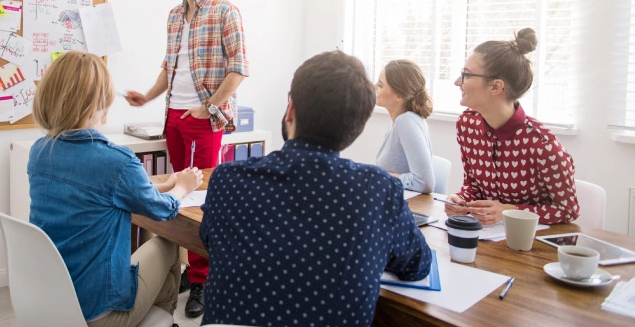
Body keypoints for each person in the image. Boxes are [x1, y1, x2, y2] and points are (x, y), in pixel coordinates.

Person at [199, 51, 432, 326]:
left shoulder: (228, 180)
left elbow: (210, 240)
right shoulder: (378, 191)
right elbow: (417, 265)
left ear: (291, 109)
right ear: (357, 126)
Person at [28, 50, 204, 326]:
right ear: (103, 102)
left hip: (53, 298)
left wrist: (165, 183)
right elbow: (163, 211)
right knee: (169, 243)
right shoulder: (116, 161)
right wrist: (182, 186)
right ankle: (163, 320)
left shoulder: (40, 151)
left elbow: (100, 192)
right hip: (98, 312)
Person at [125, 0, 248, 318]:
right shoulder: (174, 15)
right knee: (178, 195)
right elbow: (169, 66)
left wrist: (207, 107)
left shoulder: (225, 11)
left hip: (204, 119)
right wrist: (147, 96)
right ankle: (185, 269)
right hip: (173, 116)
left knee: (202, 200)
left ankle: (204, 280)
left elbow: (239, 68)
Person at [444, 28, 580, 225]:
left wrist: (510, 211)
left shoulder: (543, 145)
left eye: (466, 75)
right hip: (486, 239)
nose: (458, 82)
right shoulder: (467, 125)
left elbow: (568, 210)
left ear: (496, 87)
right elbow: (473, 185)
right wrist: (461, 200)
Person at [375, 59, 436, 193]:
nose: (375, 87)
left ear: (398, 95)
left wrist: (383, 176)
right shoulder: (400, 121)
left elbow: (425, 182)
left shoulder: (406, 121)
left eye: (380, 85)